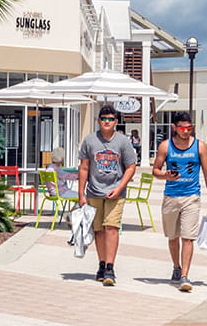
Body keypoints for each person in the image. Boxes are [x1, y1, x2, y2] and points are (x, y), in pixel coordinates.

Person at [153, 112, 207, 293]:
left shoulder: (200, 146)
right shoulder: (166, 146)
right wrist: (165, 175)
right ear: (174, 127)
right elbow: (155, 170)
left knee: (188, 236)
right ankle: (176, 267)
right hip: (171, 196)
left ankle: (185, 276)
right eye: (182, 128)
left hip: (192, 197)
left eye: (189, 128)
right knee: (172, 237)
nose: (186, 131)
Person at [77, 103, 137, 286]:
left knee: (111, 228)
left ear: (116, 122)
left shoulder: (123, 142)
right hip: (94, 192)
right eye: (103, 119)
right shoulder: (89, 140)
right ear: (98, 121)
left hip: (115, 193)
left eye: (110, 119)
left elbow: (131, 167)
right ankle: (101, 264)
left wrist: (119, 188)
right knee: (99, 230)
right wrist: (81, 194)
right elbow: (84, 167)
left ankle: (110, 267)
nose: (107, 122)